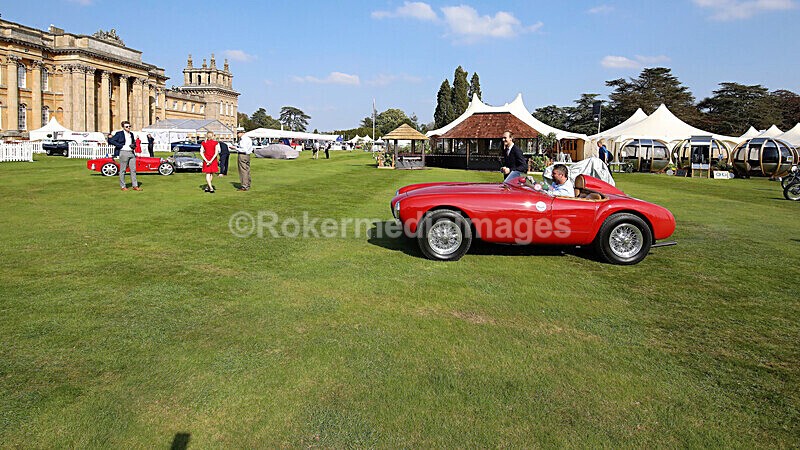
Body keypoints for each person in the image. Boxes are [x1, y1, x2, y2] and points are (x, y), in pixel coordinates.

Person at [108, 121, 141, 191]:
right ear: (123, 127)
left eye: (129, 126)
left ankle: (135, 185)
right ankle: (123, 186)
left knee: (133, 170)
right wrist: (120, 146)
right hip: (123, 152)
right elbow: (111, 140)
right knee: (123, 170)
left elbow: (133, 142)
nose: (128, 128)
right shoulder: (119, 134)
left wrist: (134, 145)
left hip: (131, 152)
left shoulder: (131, 134)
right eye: (127, 126)